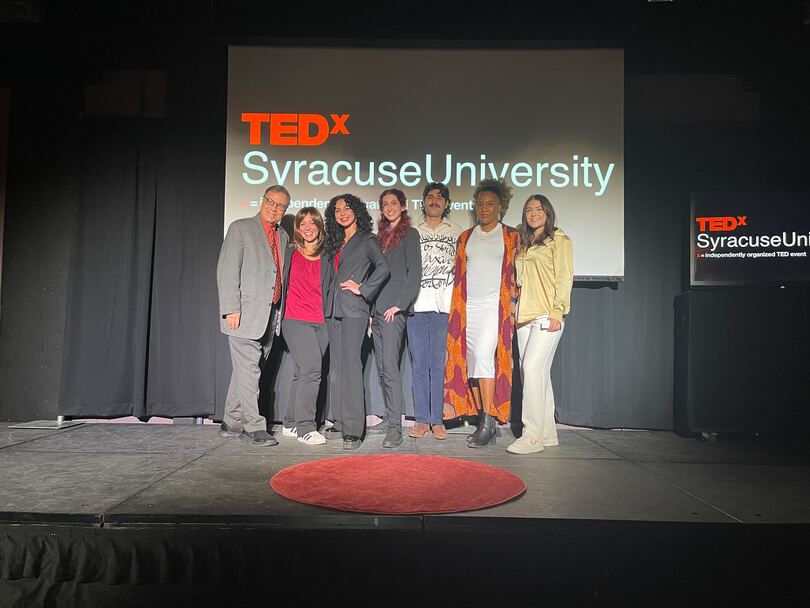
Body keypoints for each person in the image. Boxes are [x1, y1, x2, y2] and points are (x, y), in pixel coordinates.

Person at [444, 178, 520, 448]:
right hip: (467, 308)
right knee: (472, 364)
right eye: (480, 204)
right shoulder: (466, 237)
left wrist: (514, 301)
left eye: (490, 204)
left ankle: (489, 422)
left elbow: (518, 274)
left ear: (501, 206)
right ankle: (481, 420)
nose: (484, 209)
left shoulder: (511, 236)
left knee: (484, 358)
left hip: (493, 307)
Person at [216, 185, 290, 446]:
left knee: (246, 371)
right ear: (262, 201)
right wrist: (231, 309)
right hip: (243, 313)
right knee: (250, 371)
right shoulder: (240, 228)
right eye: (270, 201)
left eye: (280, 205)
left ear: (285, 210)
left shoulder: (283, 236)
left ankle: (231, 420)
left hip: (270, 316)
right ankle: (253, 427)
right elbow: (226, 270)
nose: (274, 208)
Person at [507, 195, 573, 454]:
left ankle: (531, 436)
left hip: (547, 314)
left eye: (538, 209)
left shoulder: (560, 240)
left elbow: (564, 278)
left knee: (532, 368)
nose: (533, 213)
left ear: (547, 212)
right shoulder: (525, 244)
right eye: (528, 210)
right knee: (535, 374)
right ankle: (547, 433)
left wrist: (558, 311)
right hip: (524, 316)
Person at [324, 194, 390, 450]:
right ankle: (340, 420)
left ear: (357, 212)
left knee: (351, 367)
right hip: (333, 310)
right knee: (336, 368)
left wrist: (363, 288)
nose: (342, 213)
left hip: (354, 310)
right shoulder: (335, 242)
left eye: (347, 208)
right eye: (337, 210)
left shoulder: (366, 239)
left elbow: (383, 267)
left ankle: (353, 429)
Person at [407, 182, 462, 440]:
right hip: (416, 306)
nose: (434, 201)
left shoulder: (457, 232)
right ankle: (421, 420)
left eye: (440, 197)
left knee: (438, 366)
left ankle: (437, 420)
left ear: (447, 204)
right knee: (419, 365)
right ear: (423, 202)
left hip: (443, 307)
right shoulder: (412, 230)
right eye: (430, 197)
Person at [371, 188, 422, 448]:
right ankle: (390, 416)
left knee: (390, 368)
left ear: (402, 206)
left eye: (394, 203)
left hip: (394, 310)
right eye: (385, 204)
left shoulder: (410, 234)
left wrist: (400, 305)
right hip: (377, 310)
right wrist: (371, 311)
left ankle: (395, 428)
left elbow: (415, 274)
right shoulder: (378, 237)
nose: (389, 207)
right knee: (382, 368)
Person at [279, 207, 334, 446]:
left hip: (322, 321)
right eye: (303, 224)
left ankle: (290, 422)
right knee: (312, 370)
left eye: (312, 223)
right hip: (294, 318)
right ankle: (306, 428)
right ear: (298, 228)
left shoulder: (328, 254)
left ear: (320, 226)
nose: (308, 228)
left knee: (302, 373)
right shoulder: (289, 252)